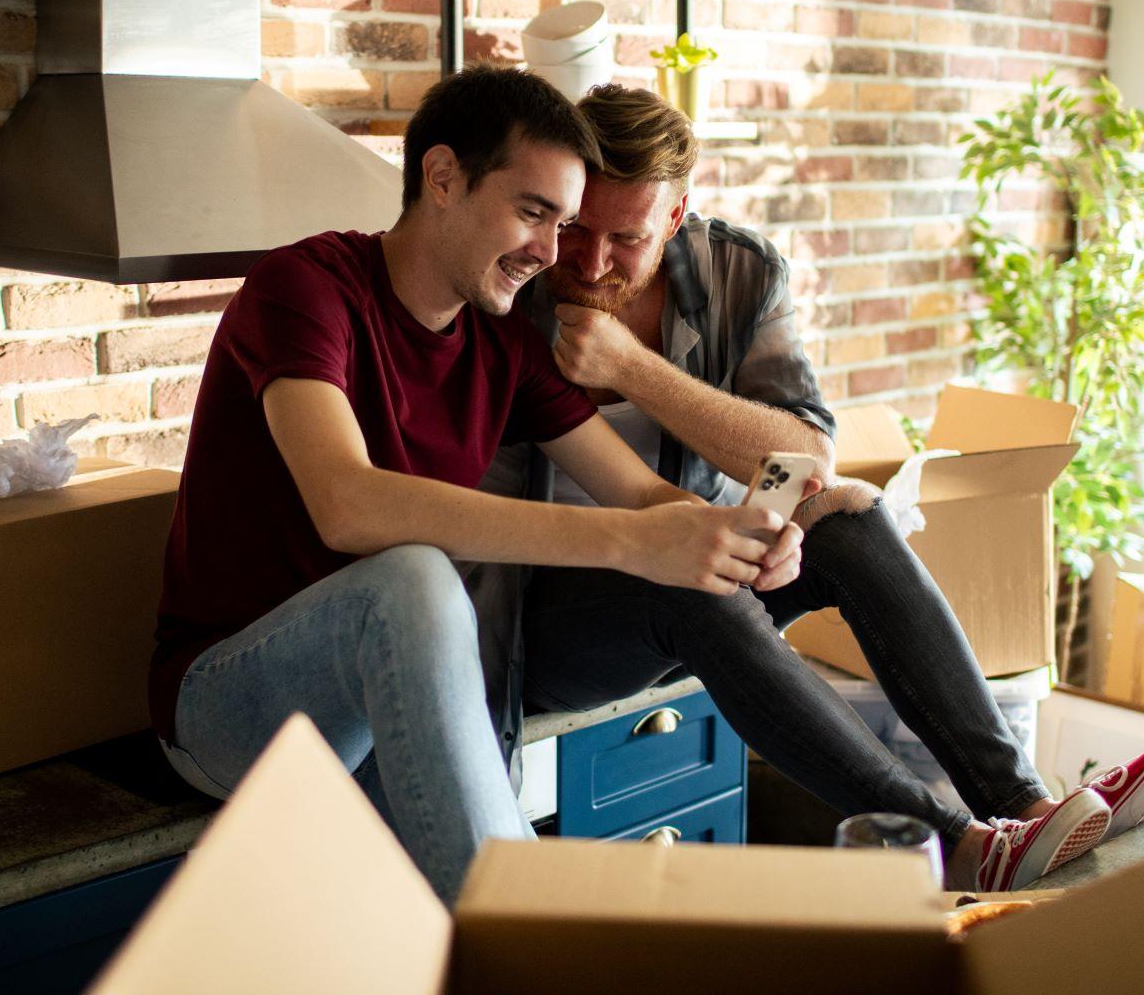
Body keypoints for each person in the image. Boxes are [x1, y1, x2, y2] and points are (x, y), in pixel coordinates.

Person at [484, 84, 1144, 891]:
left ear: (678, 214)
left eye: (628, 239)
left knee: (849, 517)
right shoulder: (510, 282)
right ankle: (957, 845)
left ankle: (1025, 807)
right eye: (575, 228)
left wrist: (632, 369)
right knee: (690, 579)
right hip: (546, 622)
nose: (588, 262)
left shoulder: (739, 273)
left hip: (692, 567)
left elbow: (806, 452)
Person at [147, 67, 806, 904]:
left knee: (424, 925)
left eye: (561, 223)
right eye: (533, 213)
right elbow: (348, 504)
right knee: (412, 576)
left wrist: (742, 533)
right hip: (229, 704)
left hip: (394, 695)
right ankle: (524, 942)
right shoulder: (305, 288)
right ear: (444, 178)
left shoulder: (502, 346)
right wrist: (633, 543)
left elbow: (640, 495)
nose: (551, 252)